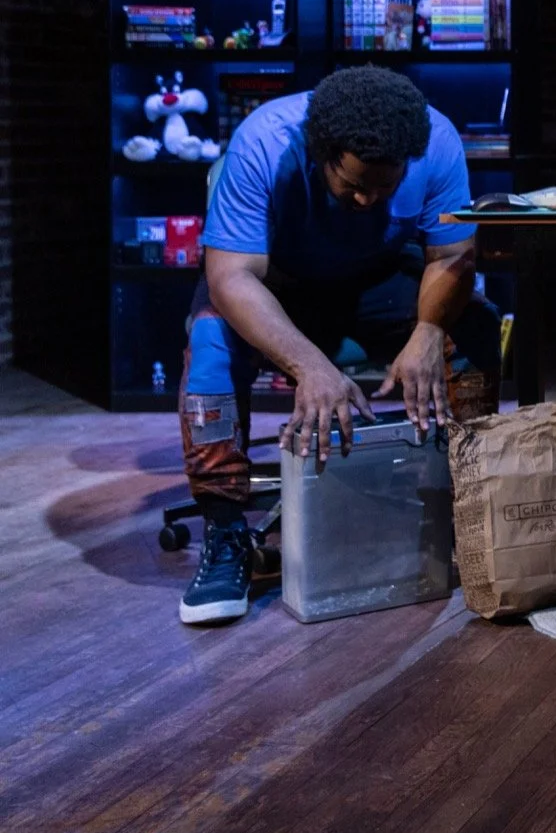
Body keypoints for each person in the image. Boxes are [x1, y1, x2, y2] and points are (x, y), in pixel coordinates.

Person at [176, 66, 501, 624]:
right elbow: (231, 278)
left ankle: (462, 515)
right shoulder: (265, 142)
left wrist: (427, 330)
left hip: (372, 286)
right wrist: (310, 366)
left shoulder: (437, 141)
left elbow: (451, 256)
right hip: (277, 289)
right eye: (351, 184)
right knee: (209, 340)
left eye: (382, 187)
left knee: (471, 322)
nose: (365, 199)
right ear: (321, 153)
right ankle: (226, 535)